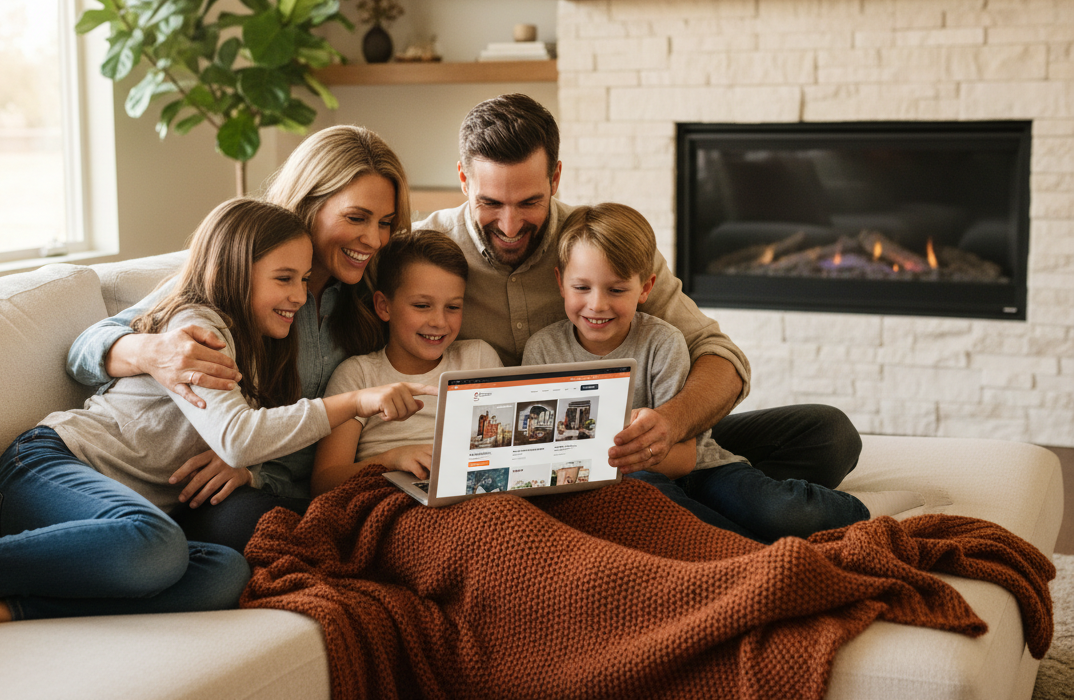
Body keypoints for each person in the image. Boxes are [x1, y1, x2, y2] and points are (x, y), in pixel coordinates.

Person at [0, 198, 436, 643]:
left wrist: (263, 475)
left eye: (304, 281)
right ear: (237, 270)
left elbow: (253, 452)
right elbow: (238, 439)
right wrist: (358, 402)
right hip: (43, 471)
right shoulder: (198, 329)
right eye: (283, 278)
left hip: (111, 528)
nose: (298, 295)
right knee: (157, 544)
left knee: (224, 575)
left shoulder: (261, 345)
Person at [414, 93, 861, 489]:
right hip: (517, 462)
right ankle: (697, 502)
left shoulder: (601, 244)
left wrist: (668, 424)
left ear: (555, 179)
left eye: (529, 202)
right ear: (463, 180)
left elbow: (720, 355)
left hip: (636, 449)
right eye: (490, 202)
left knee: (829, 434)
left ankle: (693, 491)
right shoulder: (420, 254)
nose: (510, 226)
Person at [65, 125, 411, 551]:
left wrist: (255, 470)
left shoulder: (375, 302)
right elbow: (83, 352)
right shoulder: (240, 279)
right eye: (356, 218)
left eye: (386, 223)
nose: (374, 239)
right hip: (207, 490)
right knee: (255, 528)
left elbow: (324, 439)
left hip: (284, 482)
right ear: (308, 205)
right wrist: (154, 352)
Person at [522, 203, 869, 541]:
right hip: (632, 488)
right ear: (560, 282)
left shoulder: (663, 342)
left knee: (790, 512)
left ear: (645, 288)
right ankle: (748, 546)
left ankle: (839, 514)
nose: (597, 304)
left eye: (616, 289)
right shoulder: (542, 350)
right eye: (582, 287)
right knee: (649, 501)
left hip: (701, 471)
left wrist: (632, 452)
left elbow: (686, 458)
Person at [310, 230, 502, 495]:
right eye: (422, 305)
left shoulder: (479, 358)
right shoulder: (358, 375)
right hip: (387, 496)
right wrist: (392, 459)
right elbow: (324, 481)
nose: (439, 322)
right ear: (384, 306)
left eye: (453, 307)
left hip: (474, 493)